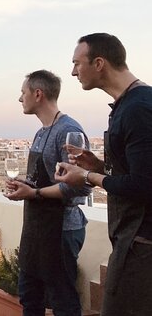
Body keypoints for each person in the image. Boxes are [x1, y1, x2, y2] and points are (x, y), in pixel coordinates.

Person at [56, 33, 152, 316]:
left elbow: (144, 184)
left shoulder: (137, 109)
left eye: (77, 63)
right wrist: (97, 165)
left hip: (142, 245)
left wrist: (86, 178)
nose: (73, 72)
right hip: (133, 243)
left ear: (99, 63)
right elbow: (135, 170)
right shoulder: (131, 104)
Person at [5, 70, 90, 316]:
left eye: (23, 92)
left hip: (61, 231)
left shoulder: (69, 131)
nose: (20, 99)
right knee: (30, 298)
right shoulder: (42, 132)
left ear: (38, 94)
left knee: (63, 302)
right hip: (36, 230)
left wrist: (34, 193)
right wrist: (27, 184)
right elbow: (44, 179)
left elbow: (80, 185)